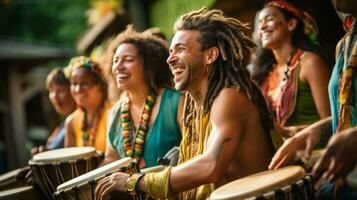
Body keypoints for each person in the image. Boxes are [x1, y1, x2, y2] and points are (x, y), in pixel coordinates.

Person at [95, 8, 275, 200]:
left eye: (180, 50)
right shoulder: (194, 105)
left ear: (210, 55)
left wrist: (136, 182)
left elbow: (210, 166)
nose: (170, 59)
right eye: (171, 51)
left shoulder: (229, 97)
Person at [269, 0, 357, 199]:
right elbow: (343, 118)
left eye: (270, 19)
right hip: (340, 180)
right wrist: (313, 132)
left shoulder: (309, 63)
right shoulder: (344, 46)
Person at [99, 26, 183, 168]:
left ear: (149, 64)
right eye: (115, 60)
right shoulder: (115, 112)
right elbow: (112, 157)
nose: (118, 67)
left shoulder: (175, 102)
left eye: (128, 60)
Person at [250, 0, 331, 137]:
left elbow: (332, 123)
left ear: (291, 24)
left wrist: (289, 132)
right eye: (260, 22)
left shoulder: (310, 63)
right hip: (285, 157)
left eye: (269, 19)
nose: (262, 27)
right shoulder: (265, 74)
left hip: (318, 155)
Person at [64, 56, 112, 152]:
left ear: (100, 86)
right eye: (74, 84)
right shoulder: (71, 122)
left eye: (85, 84)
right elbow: (70, 162)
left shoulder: (114, 114)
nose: (78, 90)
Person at [31, 68, 77, 155]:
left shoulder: (79, 122)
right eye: (51, 91)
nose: (55, 96)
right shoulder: (62, 125)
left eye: (60, 91)